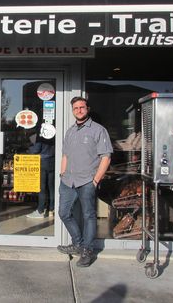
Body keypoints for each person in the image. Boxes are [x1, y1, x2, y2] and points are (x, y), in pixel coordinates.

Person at [57, 96, 113, 267]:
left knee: (89, 216)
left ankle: (87, 251)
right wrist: (62, 174)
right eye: (76, 108)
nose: (79, 110)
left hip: (87, 181)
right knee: (64, 213)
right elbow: (65, 155)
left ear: (87, 109)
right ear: (73, 111)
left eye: (82, 107)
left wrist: (95, 180)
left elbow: (106, 157)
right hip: (68, 181)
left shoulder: (98, 130)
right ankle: (78, 243)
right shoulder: (70, 131)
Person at [26, 130, 55, 219]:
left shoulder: (41, 137)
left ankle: (40, 211)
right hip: (52, 162)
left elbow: (35, 150)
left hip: (42, 163)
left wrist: (28, 149)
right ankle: (51, 209)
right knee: (51, 187)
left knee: (41, 188)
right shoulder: (54, 137)